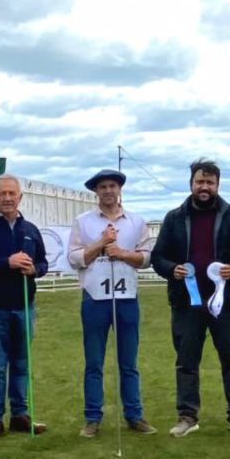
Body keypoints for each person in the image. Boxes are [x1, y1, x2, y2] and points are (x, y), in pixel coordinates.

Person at [151, 158, 230, 437]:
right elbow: (157, 257)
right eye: (200, 181)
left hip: (227, 303)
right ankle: (187, 416)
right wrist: (171, 269)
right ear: (191, 184)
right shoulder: (174, 218)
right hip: (187, 304)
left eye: (210, 182)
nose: (204, 186)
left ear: (217, 185)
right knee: (186, 362)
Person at [68, 169, 157, 438]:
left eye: (112, 186)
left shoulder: (136, 222)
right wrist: (101, 244)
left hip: (127, 298)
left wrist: (123, 253)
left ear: (120, 190)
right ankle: (93, 418)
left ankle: (135, 415)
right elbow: (74, 258)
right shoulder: (83, 222)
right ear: (96, 192)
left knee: (128, 362)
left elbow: (146, 258)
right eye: (103, 187)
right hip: (95, 299)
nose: (108, 191)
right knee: (94, 361)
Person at [0, 174, 48, 438]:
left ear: (20, 197)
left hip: (25, 306)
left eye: (11, 194)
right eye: (2, 194)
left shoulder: (31, 230)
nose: (7, 198)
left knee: (22, 363)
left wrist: (34, 270)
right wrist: (7, 262)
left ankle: (20, 414)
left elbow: (44, 264)